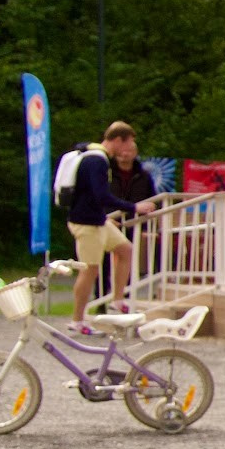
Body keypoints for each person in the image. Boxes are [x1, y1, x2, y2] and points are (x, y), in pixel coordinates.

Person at [65, 122, 160, 332]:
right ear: (117, 140)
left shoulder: (95, 157)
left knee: (125, 249)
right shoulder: (96, 161)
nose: (127, 150)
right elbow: (101, 196)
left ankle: (117, 299)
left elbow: (90, 195)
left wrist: (103, 216)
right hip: (86, 223)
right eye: (127, 144)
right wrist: (135, 207)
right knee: (90, 270)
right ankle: (77, 319)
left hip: (97, 220)